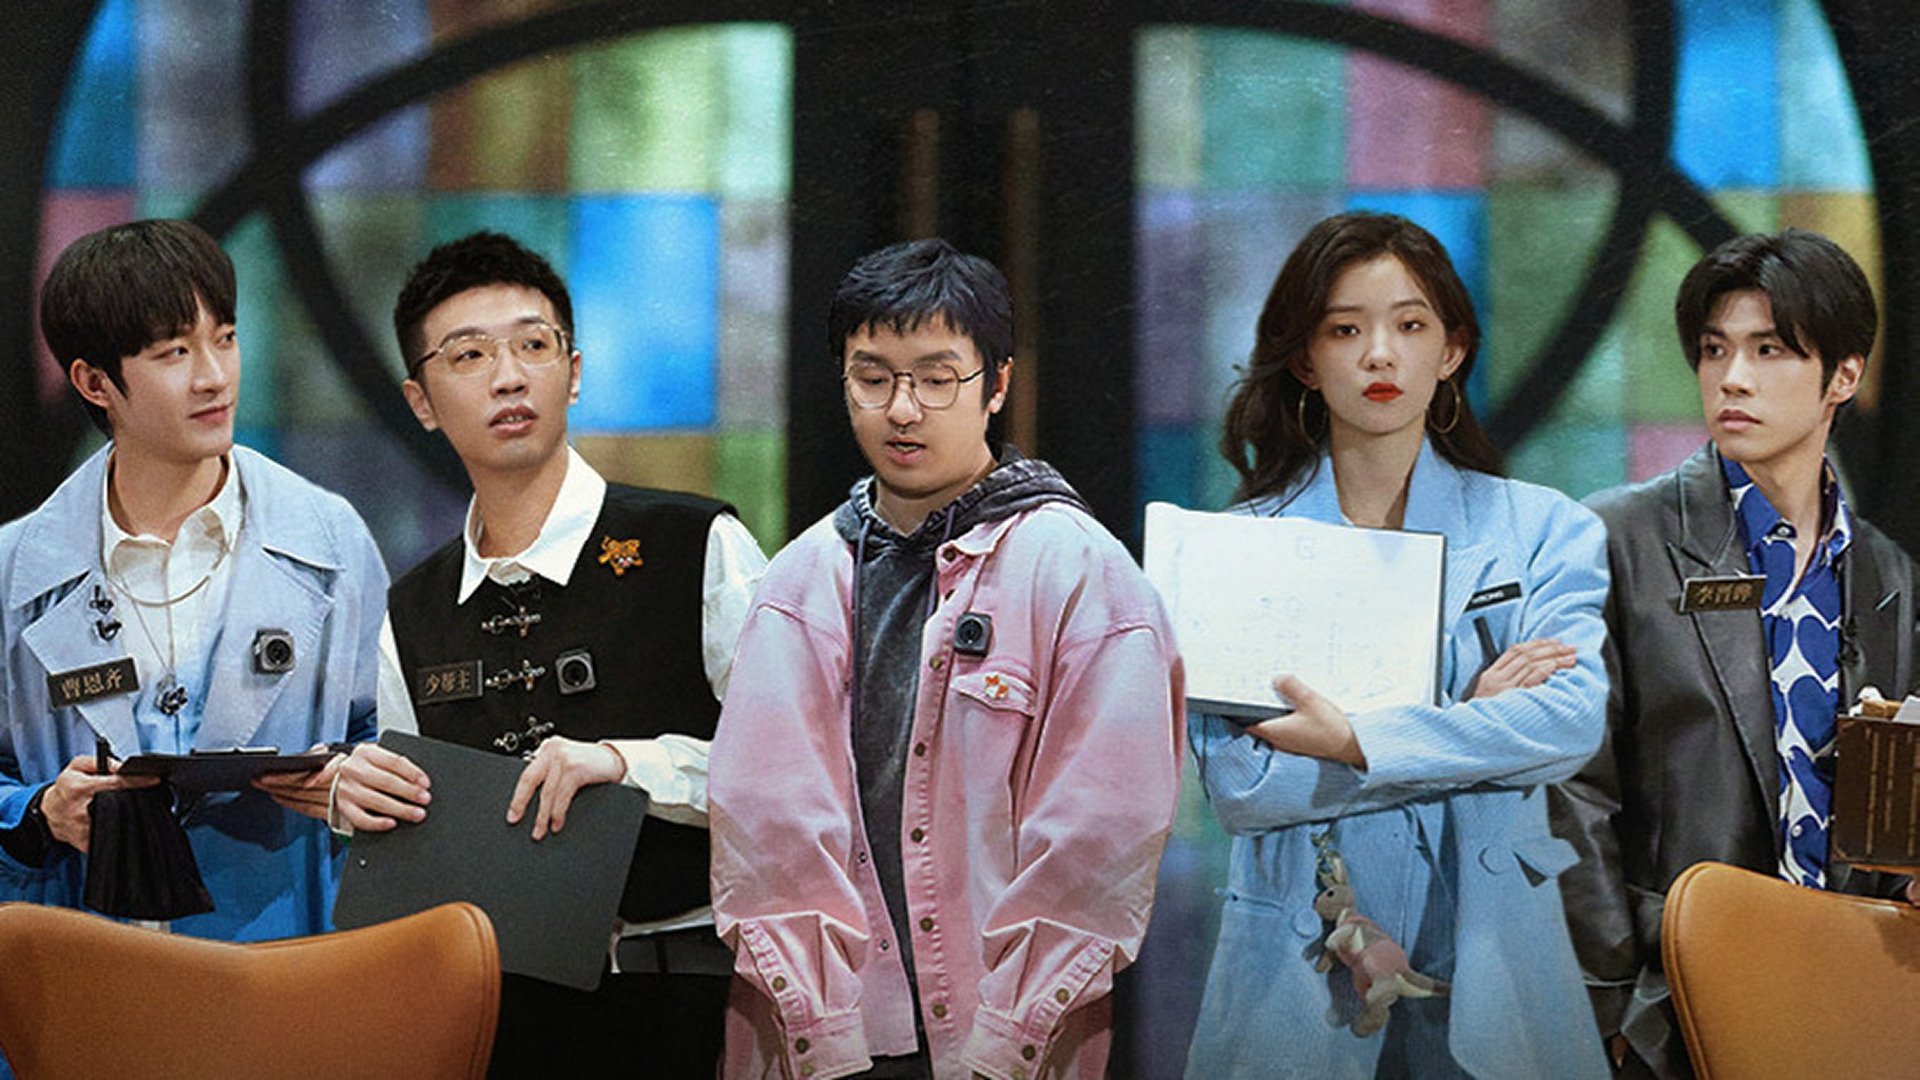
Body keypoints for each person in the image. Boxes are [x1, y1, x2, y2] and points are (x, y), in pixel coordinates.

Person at [708, 238, 1184, 1079]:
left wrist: (1008, 1038)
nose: (903, 409)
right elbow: (767, 829)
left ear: (997, 384)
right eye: (873, 378)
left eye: (937, 378)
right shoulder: (802, 577)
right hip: (825, 1038)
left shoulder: (1079, 571)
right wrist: (822, 1031)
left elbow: (1099, 838)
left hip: (1010, 1038)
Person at [329, 231, 767, 1077]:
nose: (508, 376)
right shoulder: (413, 611)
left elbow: (798, 772)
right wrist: (361, 799)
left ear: (573, 370)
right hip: (500, 1018)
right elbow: (419, 850)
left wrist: (627, 764)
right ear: (420, 401)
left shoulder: (696, 544)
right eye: (469, 355)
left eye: (533, 345)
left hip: (695, 999)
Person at [1183, 211, 1610, 1079]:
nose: (1380, 355)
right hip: (1300, 967)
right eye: (1346, 330)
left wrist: (1350, 740)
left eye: (1410, 326)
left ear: (1452, 349)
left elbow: (1569, 723)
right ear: (1306, 360)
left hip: (1497, 960)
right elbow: (1243, 786)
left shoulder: (1543, 529)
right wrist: (1474, 727)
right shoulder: (1240, 548)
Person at [1550, 229, 1920, 1077]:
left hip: (1848, 997)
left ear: (1844, 376)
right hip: (1667, 1004)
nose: (1733, 378)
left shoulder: (1891, 578)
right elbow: (1573, 787)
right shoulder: (1616, 538)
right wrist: (1613, 1005)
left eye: (1769, 350)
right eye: (1715, 350)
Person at [0, 219, 386, 938]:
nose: (214, 376)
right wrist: (38, 812)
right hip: (86, 962)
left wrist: (354, 777)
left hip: (287, 957)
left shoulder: (331, 539)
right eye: (174, 352)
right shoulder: (14, 569)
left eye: (225, 338)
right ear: (94, 382)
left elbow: (392, 736)